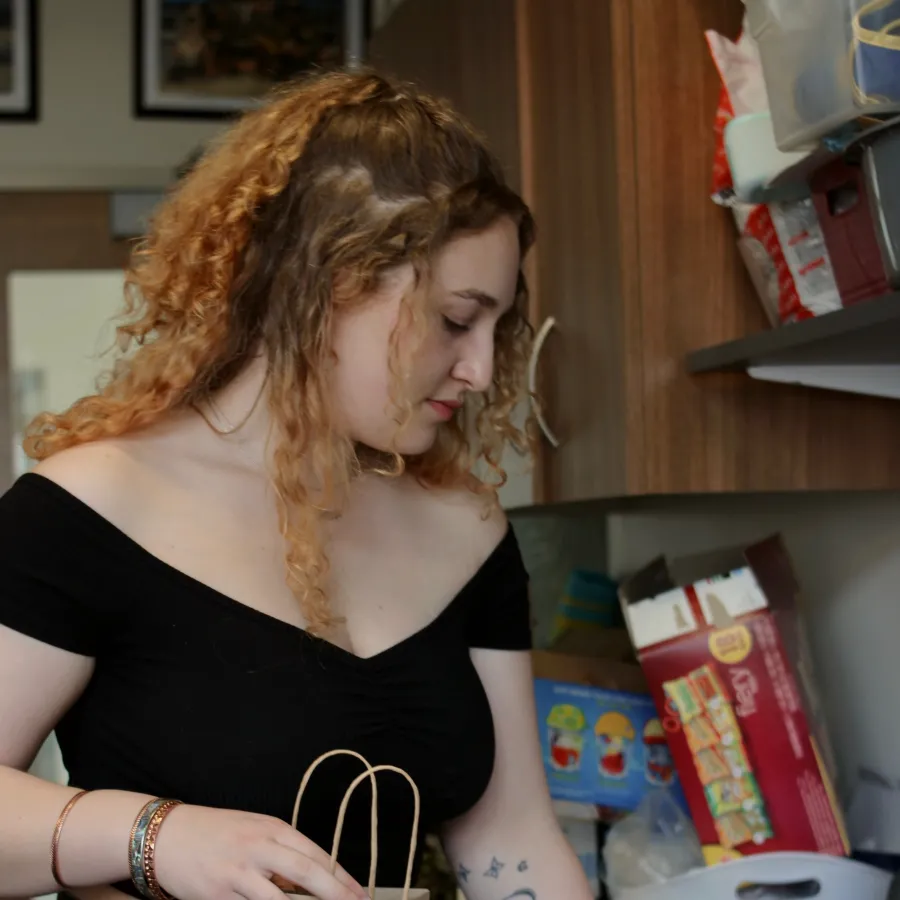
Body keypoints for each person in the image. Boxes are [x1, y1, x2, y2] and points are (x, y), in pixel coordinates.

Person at [0, 70, 593, 900]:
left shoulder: (469, 531)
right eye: (457, 320)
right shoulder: (87, 511)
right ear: (329, 284)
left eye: (500, 327)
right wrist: (154, 836)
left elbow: (512, 838)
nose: (483, 368)